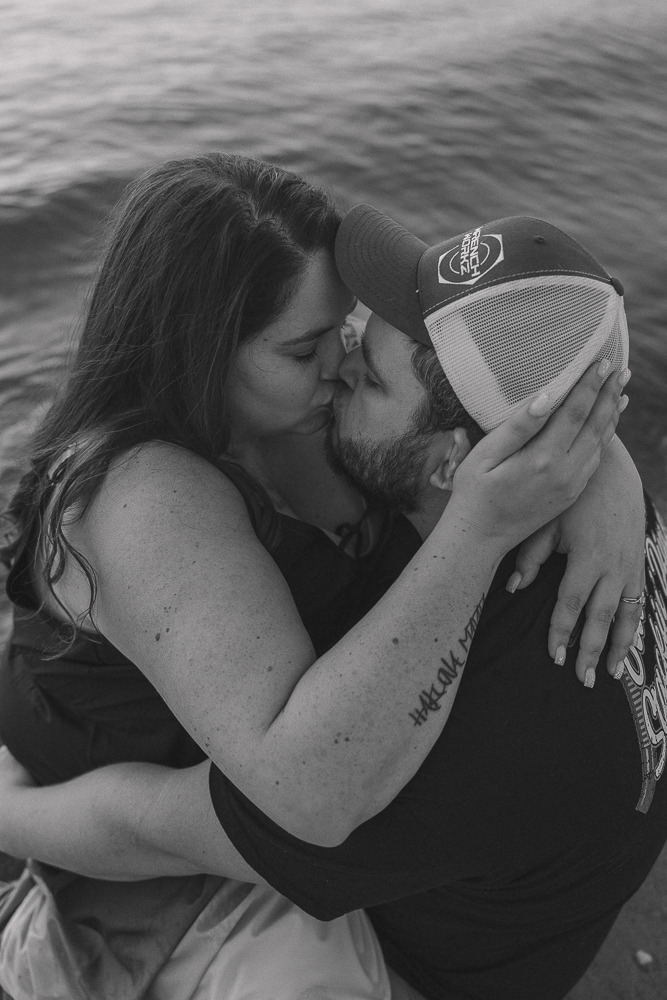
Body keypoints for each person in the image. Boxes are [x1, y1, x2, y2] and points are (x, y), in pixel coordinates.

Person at [0, 201, 652, 1000]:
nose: (343, 365)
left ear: (457, 464)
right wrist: (610, 471)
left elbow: (175, 822)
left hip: (409, 962)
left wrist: (7, 813)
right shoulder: (560, 502)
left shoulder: (432, 739)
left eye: (362, 370)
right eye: (330, 339)